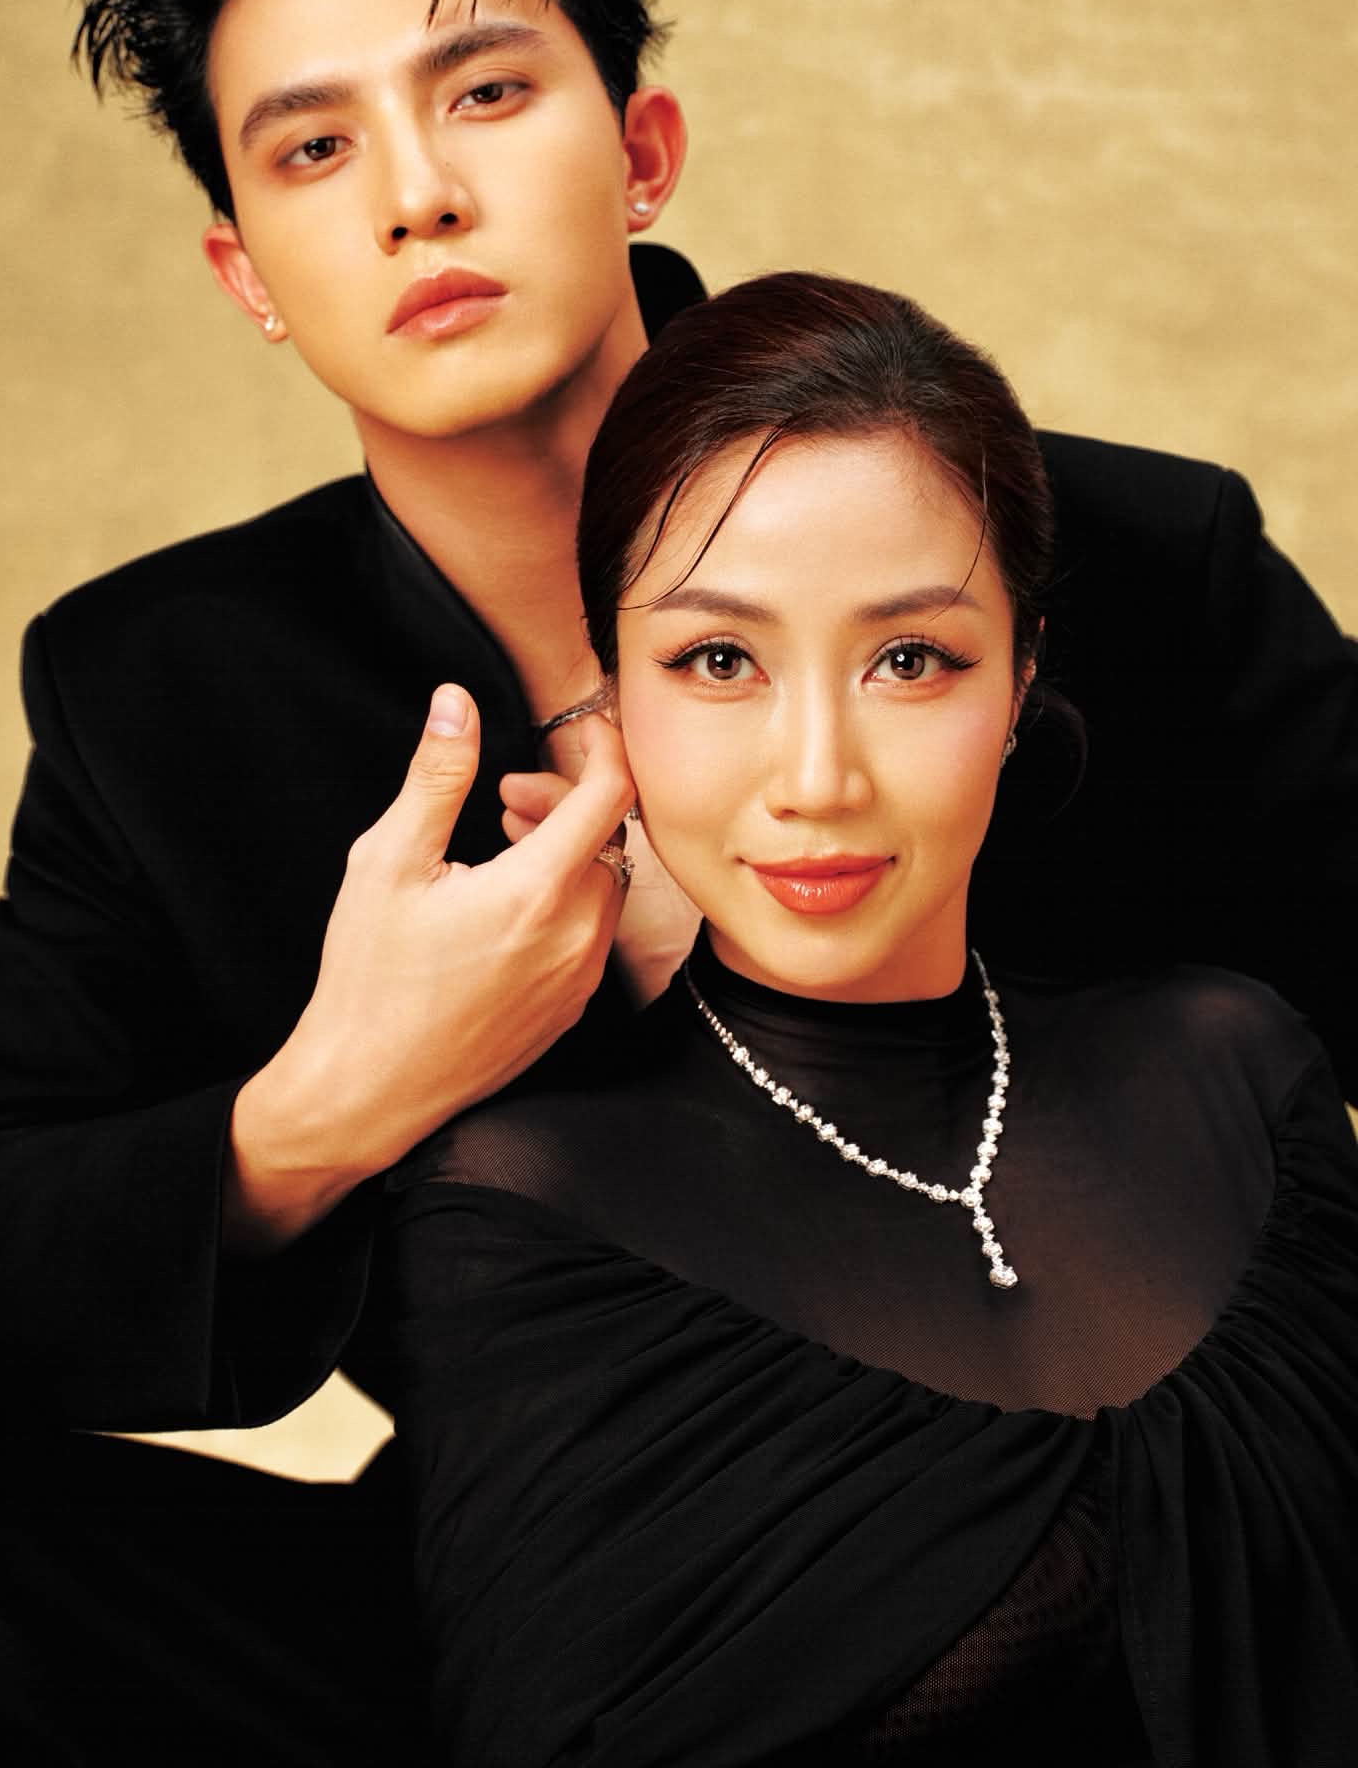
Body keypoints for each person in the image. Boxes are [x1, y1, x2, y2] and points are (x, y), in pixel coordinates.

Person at [0, 0, 1354, 1762]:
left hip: (1080, 1527)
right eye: (313, 149)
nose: (419, 197)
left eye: (484, 93)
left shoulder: (1110, 551)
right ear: (247, 275)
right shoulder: (170, 692)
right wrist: (345, 1089)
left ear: (641, 150)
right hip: (578, 1587)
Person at [376, 271, 1358, 1767]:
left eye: (911, 660)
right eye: (719, 663)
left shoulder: (1243, 1069)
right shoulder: (523, 1212)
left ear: (1020, 678)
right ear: (612, 696)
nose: (817, 778)